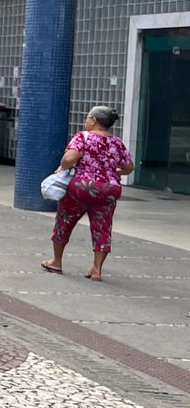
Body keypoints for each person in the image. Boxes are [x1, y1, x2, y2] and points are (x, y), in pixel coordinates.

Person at [42, 105, 135, 281]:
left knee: (65, 221)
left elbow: (69, 158)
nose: (86, 120)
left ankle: (56, 261)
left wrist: (63, 167)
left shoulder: (83, 138)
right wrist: (113, 172)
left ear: (93, 120)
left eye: (87, 117)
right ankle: (97, 270)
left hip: (83, 187)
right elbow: (129, 167)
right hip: (109, 190)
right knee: (103, 229)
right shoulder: (117, 143)